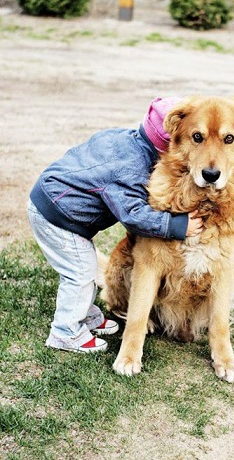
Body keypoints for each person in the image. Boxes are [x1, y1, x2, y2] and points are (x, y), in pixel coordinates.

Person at [27, 97, 203, 354]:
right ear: (168, 147)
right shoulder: (132, 170)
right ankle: (65, 332)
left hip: (52, 202)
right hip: (57, 217)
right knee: (80, 274)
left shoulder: (124, 139)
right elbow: (133, 215)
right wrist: (175, 225)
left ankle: (85, 315)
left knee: (84, 268)